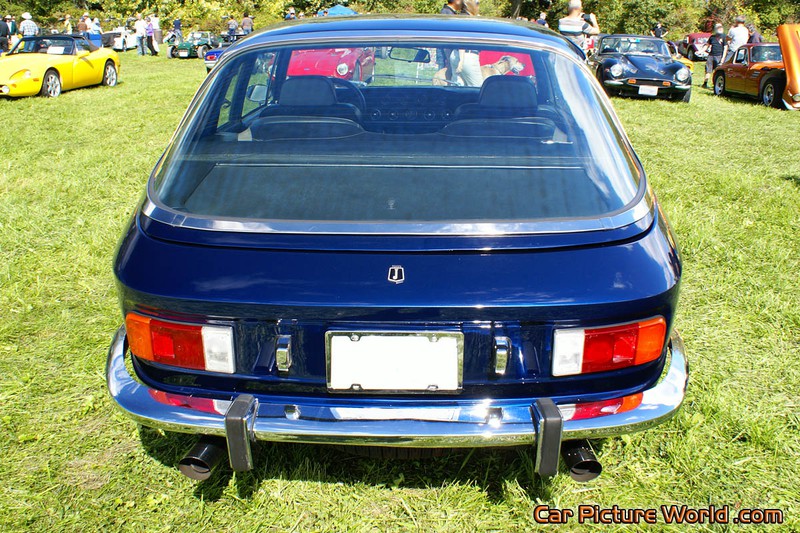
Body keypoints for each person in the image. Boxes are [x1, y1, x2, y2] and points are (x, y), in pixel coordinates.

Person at [702, 23, 727, 88]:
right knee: (708, 70)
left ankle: (715, 84)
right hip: (711, 56)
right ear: (715, 29)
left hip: (719, 56)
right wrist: (701, 51)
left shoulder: (724, 37)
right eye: (718, 28)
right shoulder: (712, 37)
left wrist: (722, 59)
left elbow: (725, 48)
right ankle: (705, 83)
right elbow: (707, 45)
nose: (720, 29)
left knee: (717, 71)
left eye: (721, 27)